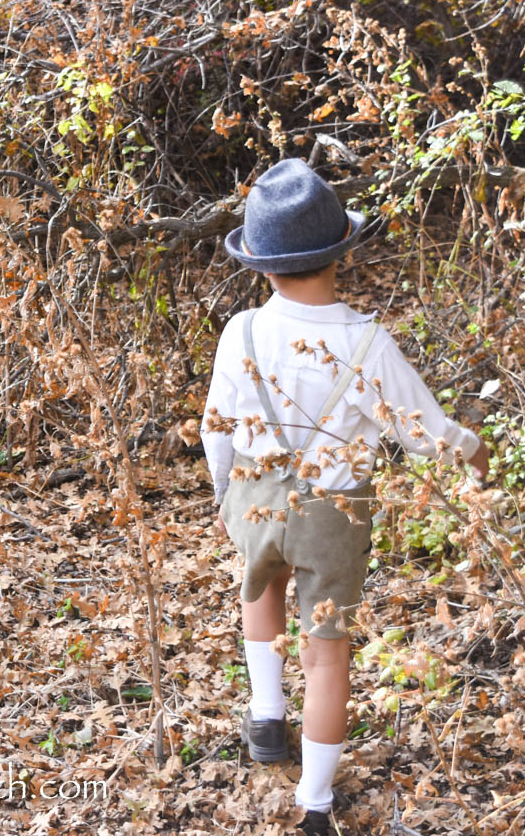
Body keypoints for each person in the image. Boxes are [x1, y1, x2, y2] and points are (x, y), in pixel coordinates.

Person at [199, 158, 489, 835]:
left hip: (252, 494)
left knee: (259, 592)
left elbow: (217, 423)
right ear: (341, 253)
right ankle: (316, 803)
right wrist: (477, 454)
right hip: (333, 514)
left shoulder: (241, 331)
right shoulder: (365, 342)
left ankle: (267, 717)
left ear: (261, 266)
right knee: (327, 653)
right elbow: (425, 431)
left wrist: (220, 497)